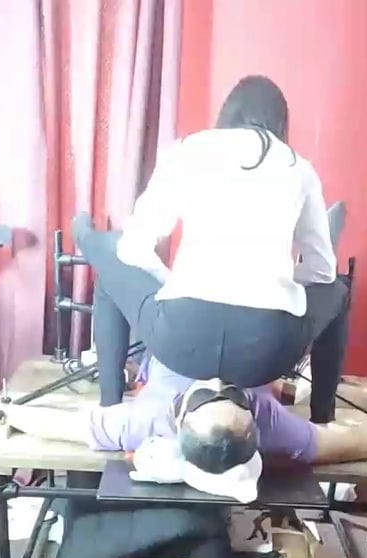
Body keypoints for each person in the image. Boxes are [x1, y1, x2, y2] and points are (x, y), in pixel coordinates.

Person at [74, 75, 349, 421]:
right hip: (266, 356)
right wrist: (284, 286)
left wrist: (170, 282)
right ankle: (322, 419)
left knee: (111, 266)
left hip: (181, 342)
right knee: (339, 290)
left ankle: (110, 409)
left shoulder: (188, 151)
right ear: (281, 123)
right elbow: (322, 271)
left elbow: (134, 249)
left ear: (228, 113)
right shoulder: (299, 167)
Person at [0, 357, 367, 503]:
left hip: (169, 335)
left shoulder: (145, 420)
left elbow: (66, 425)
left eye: (210, 396)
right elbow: (341, 442)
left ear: (179, 418)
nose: (217, 382)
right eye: (232, 396)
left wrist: (5, 413)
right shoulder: (266, 418)